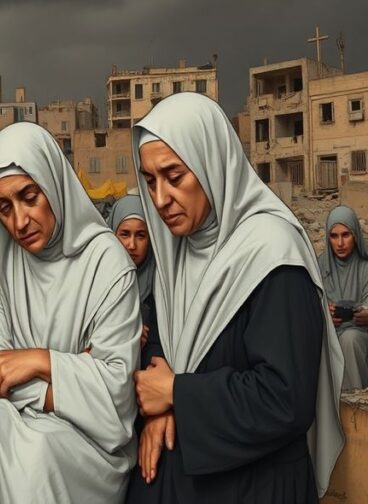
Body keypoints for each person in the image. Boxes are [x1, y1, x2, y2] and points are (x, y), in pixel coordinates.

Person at [125, 92, 344, 503]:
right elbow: (163, 338)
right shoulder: (178, 252)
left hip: (256, 483)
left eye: (174, 176)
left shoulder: (272, 254)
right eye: (150, 181)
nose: (159, 199)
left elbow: (284, 398)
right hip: (185, 473)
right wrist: (160, 408)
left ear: (211, 164)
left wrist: (176, 396)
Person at [0, 122, 141, 502]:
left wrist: (39, 360)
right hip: (18, 419)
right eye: (4, 208)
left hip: (91, 444)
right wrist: (65, 378)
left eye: (29, 197)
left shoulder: (107, 262)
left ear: (53, 183)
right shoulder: (7, 267)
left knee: (36, 457)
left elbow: (115, 393)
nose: (20, 221)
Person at [319, 205, 368, 390]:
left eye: (346, 235)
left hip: (360, 332)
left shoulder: (365, 266)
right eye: (334, 236)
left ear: (355, 235)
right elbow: (306, 304)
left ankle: (352, 398)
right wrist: (324, 313)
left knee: (350, 339)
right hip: (329, 332)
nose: (340, 243)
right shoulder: (319, 266)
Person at [107, 194, 159, 352]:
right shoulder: (97, 278)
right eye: (125, 234)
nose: (131, 245)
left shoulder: (160, 282)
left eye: (141, 235)